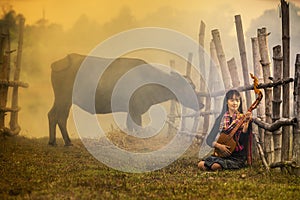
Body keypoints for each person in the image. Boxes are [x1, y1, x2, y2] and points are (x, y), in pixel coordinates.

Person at [198, 89, 252, 171]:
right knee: (201, 164)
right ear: (227, 102)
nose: (235, 103)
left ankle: (219, 165)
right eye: (232, 100)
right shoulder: (220, 119)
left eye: (237, 100)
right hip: (221, 154)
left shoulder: (242, 118)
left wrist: (247, 123)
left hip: (236, 156)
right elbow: (209, 140)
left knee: (215, 166)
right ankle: (217, 164)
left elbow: (243, 140)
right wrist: (220, 146)